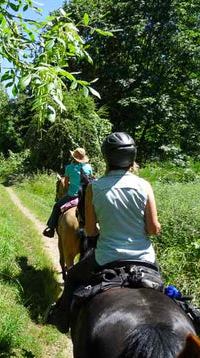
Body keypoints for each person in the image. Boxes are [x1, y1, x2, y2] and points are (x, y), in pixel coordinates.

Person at [46, 132, 161, 333]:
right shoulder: (144, 185)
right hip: (145, 259)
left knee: (72, 276)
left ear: (107, 158)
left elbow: (90, 231)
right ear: (132, 158)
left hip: (106, 257)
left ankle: (61, 317)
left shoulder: (95, 187)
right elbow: (153, 229)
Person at [43, 147, 93, 238]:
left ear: (74, 157)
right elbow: (90, 181)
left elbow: (66, 183)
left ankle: (51, 228)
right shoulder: (89, 167)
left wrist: (67, 190)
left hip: (72, 195)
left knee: (57, 206)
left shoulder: (69, 168)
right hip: (85, 196)